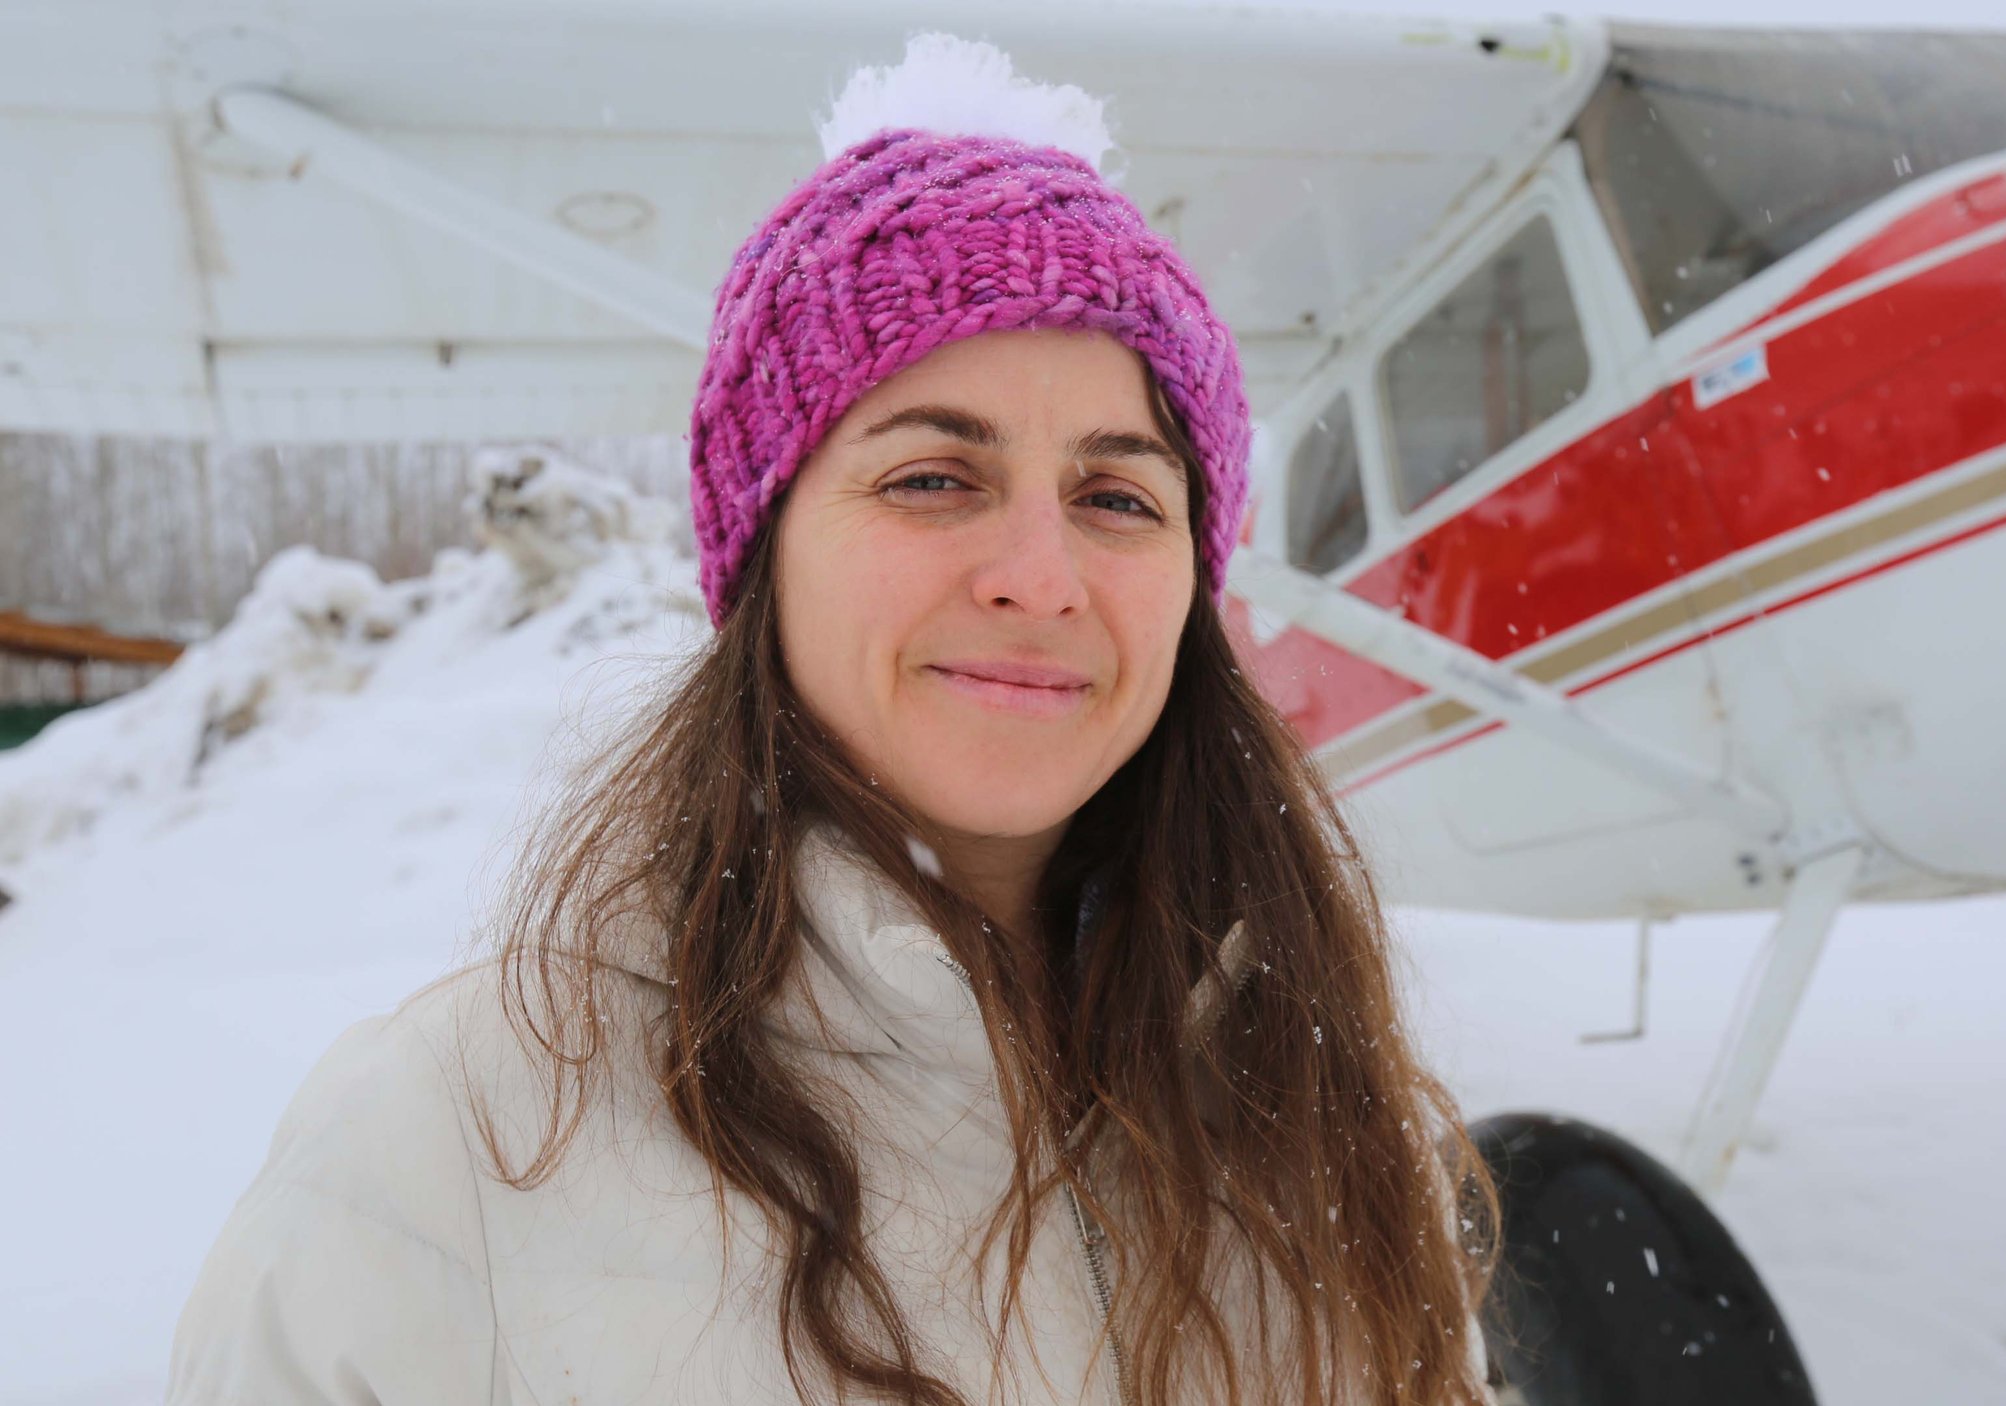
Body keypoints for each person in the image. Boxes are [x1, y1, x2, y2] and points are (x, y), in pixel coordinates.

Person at [164, 34, 1498, 1406]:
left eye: (1118, 498)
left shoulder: (1329, 1132)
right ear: (764, 556)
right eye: (932, 475)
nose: (1039, 575)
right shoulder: (439, 1161)